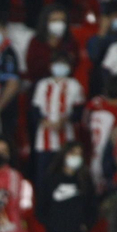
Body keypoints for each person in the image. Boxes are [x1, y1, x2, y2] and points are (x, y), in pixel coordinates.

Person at [31, 51, 84, 185]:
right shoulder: (43, 85)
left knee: (65, 177)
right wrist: (46, 123)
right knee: (44, 178)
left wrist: (64, 120)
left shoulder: (74, 85)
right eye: (57, 63)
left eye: (63, 63)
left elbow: (78, 111)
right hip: (44, 141)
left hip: (67, 140)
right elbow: (35, 110)